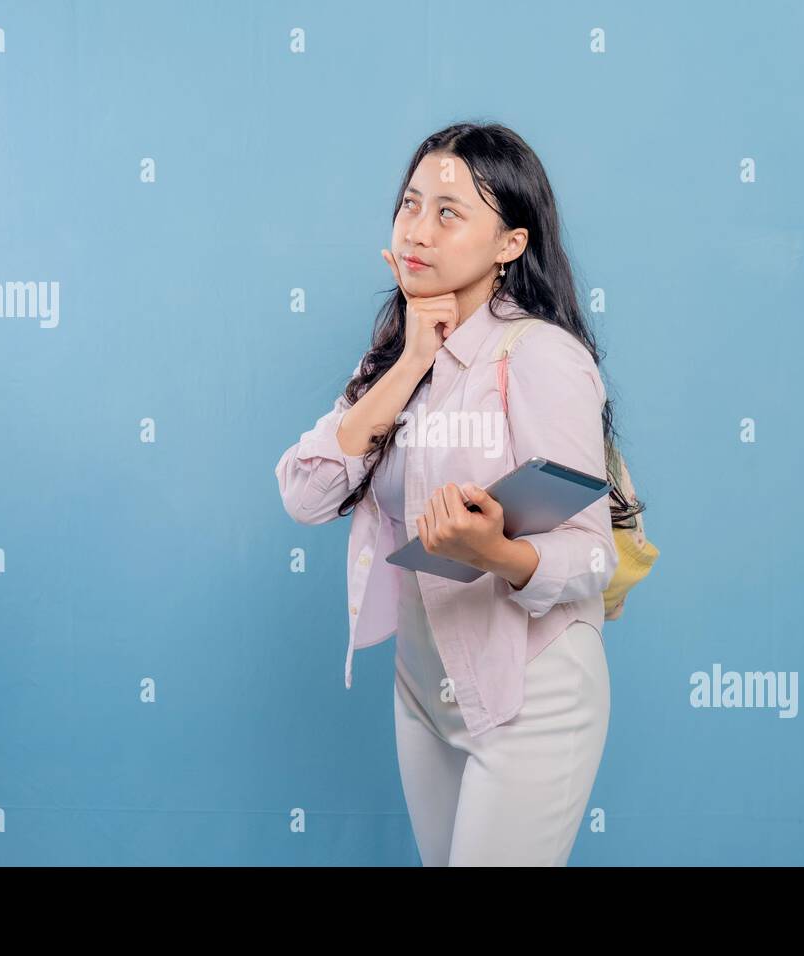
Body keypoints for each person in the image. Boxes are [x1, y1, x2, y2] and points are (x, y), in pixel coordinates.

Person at [275, 122, 642, 865]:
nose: (418, 230)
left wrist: (497, 553)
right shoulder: (394, 352)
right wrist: (411, 360)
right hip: (426, 689)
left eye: (449, 213)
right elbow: (305, 495)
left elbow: (591, 556)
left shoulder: (540, 356)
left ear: (510, 243)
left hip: (530, 691)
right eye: (410, 204)